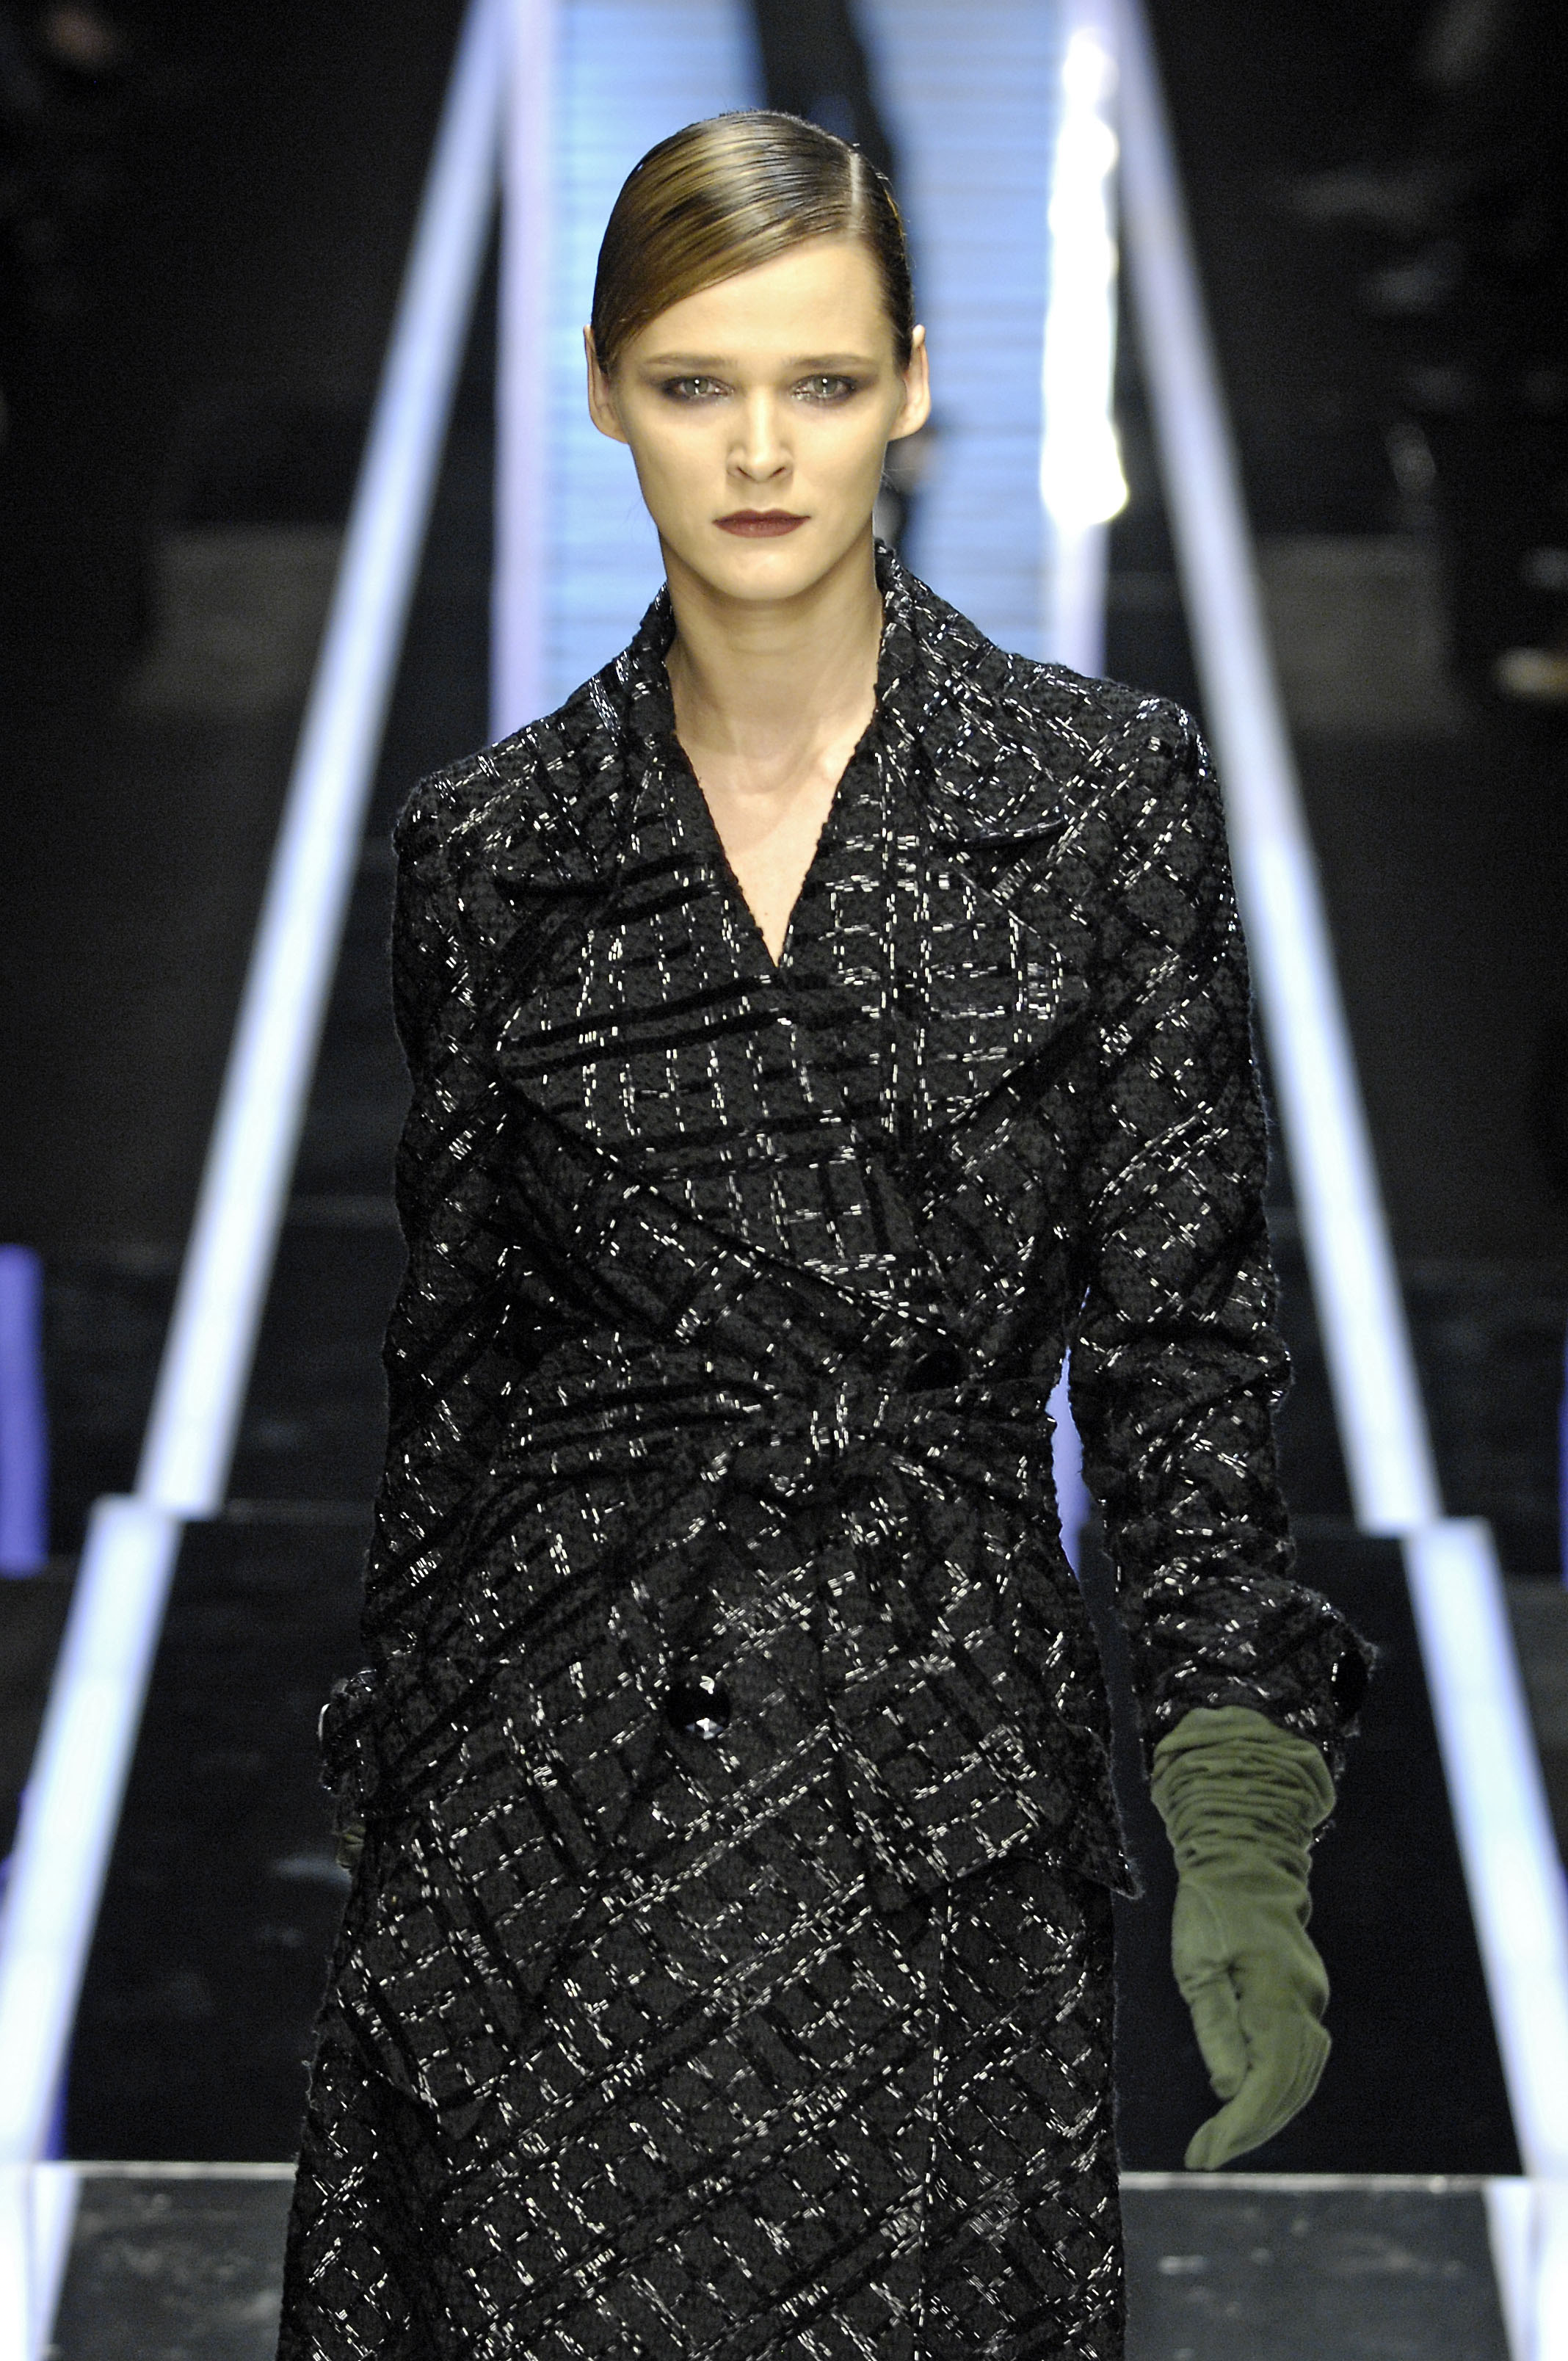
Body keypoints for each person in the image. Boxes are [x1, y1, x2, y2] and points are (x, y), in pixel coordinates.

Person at [277, 109, 1371, 2361]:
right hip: (555, 1800)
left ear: (916, 386)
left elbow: (1183, 1349)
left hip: (928, 1790)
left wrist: (1239, 1822)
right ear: (605, 392)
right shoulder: (493, 851)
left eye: (824, 381)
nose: (763, 452)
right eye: (698, 384)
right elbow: (453, 1378)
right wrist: (394, 1803)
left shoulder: (1098, 802)